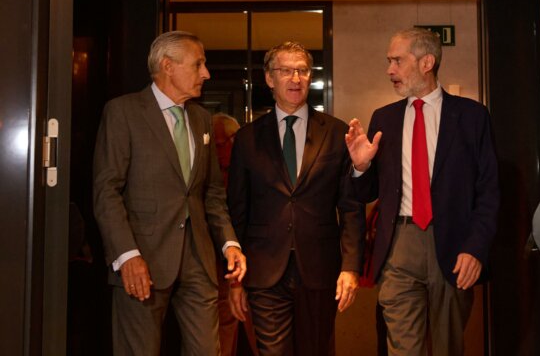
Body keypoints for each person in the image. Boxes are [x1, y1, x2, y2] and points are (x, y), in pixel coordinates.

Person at [345, 28, 499, 356]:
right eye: (389, 61)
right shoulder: (383, 119)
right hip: (398, 246)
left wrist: (475, 248)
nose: (390, 70)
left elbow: (489, 192)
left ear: (427, 62)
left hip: (455, 246)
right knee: (402, 349)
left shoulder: (472, 117)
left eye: (397, 61)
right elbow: (367, 193)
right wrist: (360, 166)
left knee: (447, 347)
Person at [93, 30, 246, 356]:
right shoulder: (123, 112)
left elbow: (212, 193)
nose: (206, 73)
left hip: (199, 260)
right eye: (198, 64)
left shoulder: (202, 119)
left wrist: (229, 243)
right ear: (167, 66)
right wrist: (127, 255)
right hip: (143, 259)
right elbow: (106, 191)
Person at [227, 41, 365, 356]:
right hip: (264, 270)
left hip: (320, 268)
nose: (295, 78)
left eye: (302, 71)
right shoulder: (247, 139)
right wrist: (235, 281)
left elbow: (351, 207)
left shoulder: (336, 133)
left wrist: (351, 267)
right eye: (286, 70)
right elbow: (237, 210)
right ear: (269, 78)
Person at [212, 112, 258, 356]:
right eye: (217, 143)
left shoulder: (253, 169)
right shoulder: (208, 176)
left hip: (255, 265)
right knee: (222, 328)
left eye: (226, 141)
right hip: (217, 267)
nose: (222, 149)